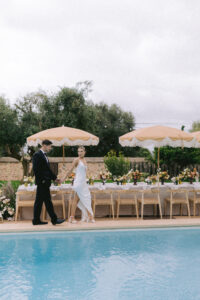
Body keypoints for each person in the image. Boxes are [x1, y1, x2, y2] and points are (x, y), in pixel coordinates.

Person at [32, 140, 65, 225]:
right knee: (46, 201)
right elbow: (36, 170)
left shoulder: (44, 156)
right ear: (44, 145)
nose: (50, 148)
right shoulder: (37, 155)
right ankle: (54, 219)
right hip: (42, 183)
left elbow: (48, 170)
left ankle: (36, 220)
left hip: (45, 182)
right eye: (49, 146)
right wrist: (42, 180)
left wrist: (55, 178)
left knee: (40, 202)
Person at [62, 146, 95, 223]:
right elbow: (70, 170)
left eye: (81, 151)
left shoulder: (85, 160)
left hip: (83, 183)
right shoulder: (76, 160)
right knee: (76, 199)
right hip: (78, 183)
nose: (79, 153)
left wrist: (90, 178)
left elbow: (84, 172)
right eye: (78, 151)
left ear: (84, 152)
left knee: (86, 198)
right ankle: (73, 217)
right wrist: (64, 178)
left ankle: (88, 216)